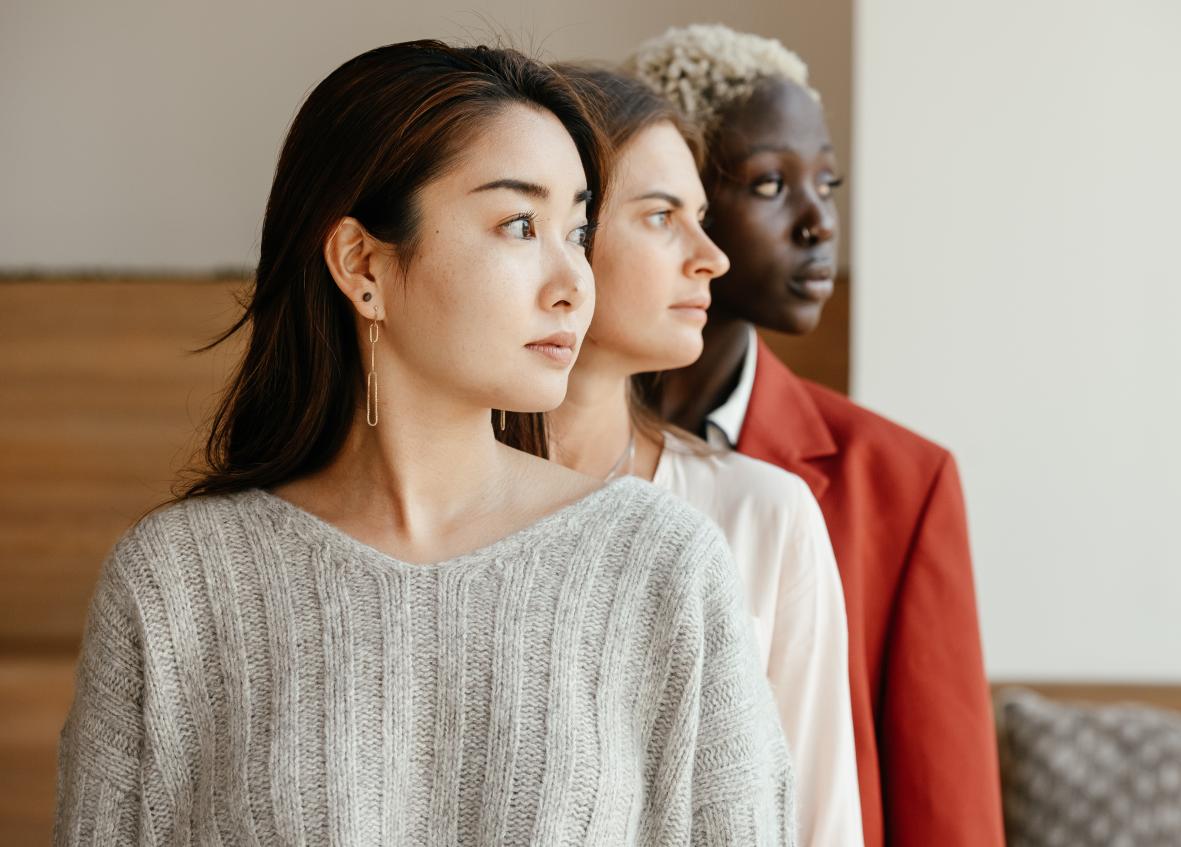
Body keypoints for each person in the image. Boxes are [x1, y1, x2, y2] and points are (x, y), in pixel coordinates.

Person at [54, 39, 795, 845]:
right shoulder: (177, 587)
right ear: (361, 262)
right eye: (519, 223)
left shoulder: (662, 566)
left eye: (577, 230)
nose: (574, 281)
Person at [628, 25, 1005, 847]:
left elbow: (949, 812)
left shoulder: (901, 481)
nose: (819, 223)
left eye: (826, 183)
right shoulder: (519, 455)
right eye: (770, 184)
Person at [548, 67, 864, 847]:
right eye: (662, 216)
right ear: (564, 232)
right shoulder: (425, 509)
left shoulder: (767, 513)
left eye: (702, 214)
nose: (711, 258)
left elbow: (820, 826)